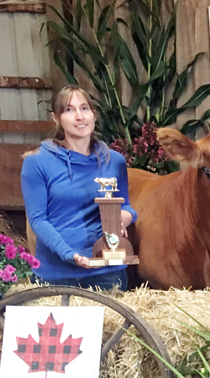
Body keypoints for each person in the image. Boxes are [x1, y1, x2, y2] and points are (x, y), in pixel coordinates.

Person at [21, 85, 136, 291]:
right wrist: (68, 254)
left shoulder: (115, 161)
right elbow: (38, 219)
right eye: (68, 110)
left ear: (94, 114)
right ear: (56, 118)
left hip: (107, 273)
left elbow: (125, 205)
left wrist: (127, 216)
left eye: (84, 108)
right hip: (56, 274)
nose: (79, 117)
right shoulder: (37, 161)